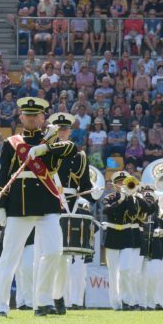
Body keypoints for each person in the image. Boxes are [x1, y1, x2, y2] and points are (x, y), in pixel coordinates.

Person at [0, 97, 76, 317]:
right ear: (21, 117)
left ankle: (42, 300)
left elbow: (70, 149)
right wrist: (1, 206)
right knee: (10, 256)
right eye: (27, 115)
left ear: (42, 118)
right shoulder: (12, 143)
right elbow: (4, 176)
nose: (31, 118)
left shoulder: (51, 141)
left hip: (47, 202)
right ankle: (0, 304)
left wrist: (43, 149)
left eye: (35, 115)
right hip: (19, 205)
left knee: (53, 252)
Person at [49, 112, 100, 313]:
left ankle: (57, 296)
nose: (62, 132)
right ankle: (41, 296)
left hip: (68, 204)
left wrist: (92, 195)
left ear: (70, 131)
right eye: (58, 129)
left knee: (61, 257)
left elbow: (85, 185)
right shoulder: (45, 152)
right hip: (47, 203)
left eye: (65, 129)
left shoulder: (79, 156)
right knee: (46, 254)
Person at [102, 171, 154, 310]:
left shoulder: (134, 198)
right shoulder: (111, 197)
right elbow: (107, 211)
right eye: (119, 182)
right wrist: (120, 199)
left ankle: (126, 300)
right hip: (113, 234)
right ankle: (116, 303)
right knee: (113, 272)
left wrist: (133, 196)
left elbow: (145, 210)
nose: (122, 184)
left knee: (125, 269)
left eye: (124, 182)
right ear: (114, 185)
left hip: (128, 235)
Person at [139, 187, 163, 310]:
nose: (148, 201)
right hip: (144, 247)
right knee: (145, 277)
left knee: (158, 276)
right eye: (146, 199)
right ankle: (145, 302)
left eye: (151, 199)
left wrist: (162, 230)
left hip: (160, 248)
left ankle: (158, 302)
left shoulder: (162, 214)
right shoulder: (140, 213)